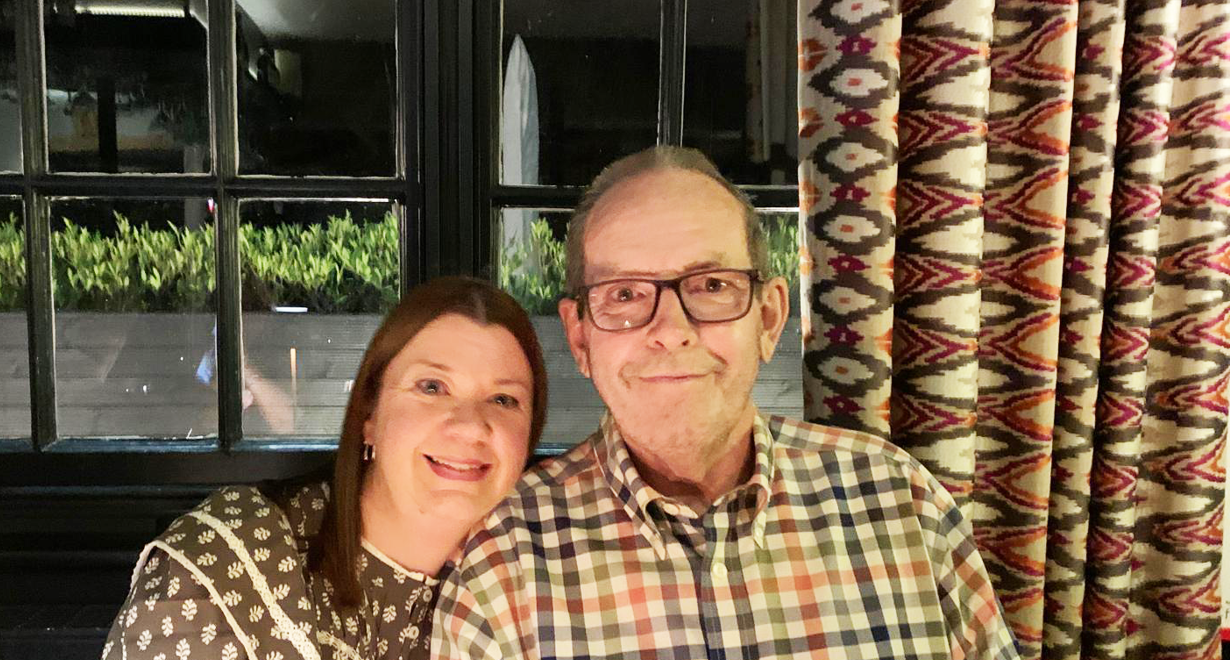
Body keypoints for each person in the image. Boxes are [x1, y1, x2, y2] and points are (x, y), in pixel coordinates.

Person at [432, 147, 1021, 659]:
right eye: (625, 294)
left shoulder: (903, 504)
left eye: (712, 286)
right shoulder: (502, 564)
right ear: (581, 337)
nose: (670, 329)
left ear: (768, 318)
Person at [103, 276, 548, 660]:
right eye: (432, 387)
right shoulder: (223, 566)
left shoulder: (536, 589)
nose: (470, 426)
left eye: (504, 399)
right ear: (368, 416)